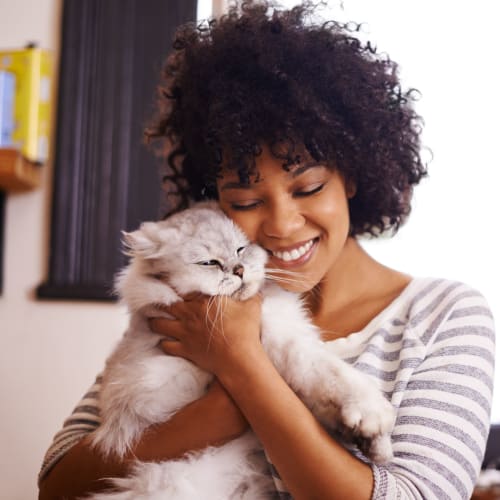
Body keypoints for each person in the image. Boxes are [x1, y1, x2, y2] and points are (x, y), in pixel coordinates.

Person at [38, 1, 495, 499]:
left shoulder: (445, 317)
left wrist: (241, 365)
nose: (281, 225)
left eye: (308, 188)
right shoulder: (193, 307)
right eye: (247, 200)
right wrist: (218, 412)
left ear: (355, 175)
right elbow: (59, 481)